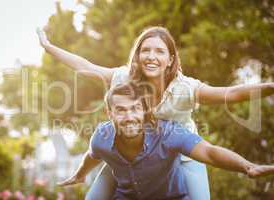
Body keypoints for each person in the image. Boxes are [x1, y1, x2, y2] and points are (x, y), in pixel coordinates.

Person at [37, 26, 274, 200]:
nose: (151, 56)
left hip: (183, 153)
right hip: (132, 152)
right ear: (138, 56)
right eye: (145, 50)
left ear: (170, 59)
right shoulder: (123, 78)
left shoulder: (186, 88)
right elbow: (84, 66)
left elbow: (231, 94)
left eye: (159, 51)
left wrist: (269, 87)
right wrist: (49, 48)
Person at [57, 83, 274, 200]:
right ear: (109, 113)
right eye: (121, 110)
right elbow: (92, 155)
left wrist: (247, 166)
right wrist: (80, 174)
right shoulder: (102, 136)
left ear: (144, 110)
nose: (129, 116)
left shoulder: (168, 133)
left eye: (134, 109)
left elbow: (209, 153)